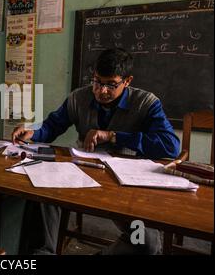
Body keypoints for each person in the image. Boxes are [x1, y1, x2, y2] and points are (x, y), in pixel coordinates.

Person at [12, 48, 180, 255]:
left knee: (146, 243)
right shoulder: (78, 98)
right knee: (39, 191)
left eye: (111, 84)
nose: (101, 91)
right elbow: (52, 126)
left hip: (123, 184)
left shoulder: (146, 103)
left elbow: (170, 146)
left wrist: (113, 136)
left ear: (127, 81)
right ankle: (43, 252)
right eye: (97, 82)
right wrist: (33, 133)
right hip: (81, 173)